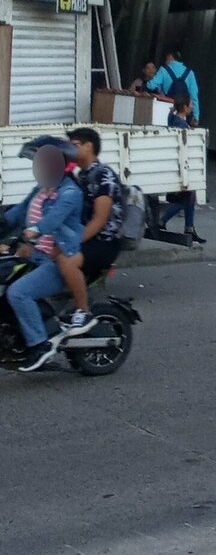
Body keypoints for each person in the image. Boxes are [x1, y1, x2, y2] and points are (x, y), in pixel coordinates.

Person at [4, 144, 85, 372]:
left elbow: (53, 220)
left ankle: (40, 345)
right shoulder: (41, 189)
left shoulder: (69, 193)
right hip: (34, 255)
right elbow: (15, 214)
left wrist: (34, 230)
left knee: (18, 292)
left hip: (56, 259)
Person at [60, 127, 125, 327]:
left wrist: (74, 241)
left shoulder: (102, 174)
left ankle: (83, 311)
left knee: (67, 261)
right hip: (90, 236)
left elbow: (99, 219)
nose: (70, 149)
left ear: (89, 147)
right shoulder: (82, 175)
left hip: (105, 240)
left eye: (75, 145)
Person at [163, 98, 206, 243]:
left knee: (189, 194)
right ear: (185, 108)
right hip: (182, 164)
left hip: (176, 163)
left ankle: (189, 228)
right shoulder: (182, 126)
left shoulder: (173, 119)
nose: (192, 106)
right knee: (187, 197)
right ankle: (162, 221)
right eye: (191, 104)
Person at [146, 47, 200, 124]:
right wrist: (196, 116)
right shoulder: (190, 73)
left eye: (166, 59)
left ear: (170, 57)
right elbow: (194, 96)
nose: (165, 61)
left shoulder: (163, 70)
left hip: (166, 109)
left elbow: (150, 86)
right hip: (183, 112)